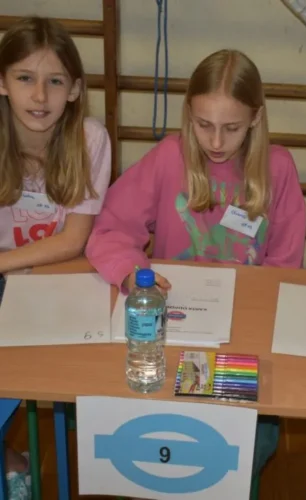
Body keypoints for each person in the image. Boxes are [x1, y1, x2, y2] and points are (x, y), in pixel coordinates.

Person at [85, 48, 306, 478]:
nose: (216, 142)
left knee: (249, 444)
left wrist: (254, 315)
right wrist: (131, 271)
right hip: (176, 327)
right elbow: (110, 230)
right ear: (188, 113)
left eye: (231, 128)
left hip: (244, 331)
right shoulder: (170, 157)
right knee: (153, 428)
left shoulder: (278, 168)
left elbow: (284, 267)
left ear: (256, 119)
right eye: (204, 125)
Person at [0, 16, 111, 499]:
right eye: (25, 78)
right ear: (2, 82)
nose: (40, 96)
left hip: (59, 276)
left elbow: (73, 241)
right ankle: (11, 459)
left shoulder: (89, 139)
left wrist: (11, 265)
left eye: (55, 81)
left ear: (75, 89)